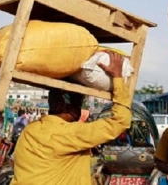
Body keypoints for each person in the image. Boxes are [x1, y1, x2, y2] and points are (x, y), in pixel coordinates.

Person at [11, 51, 132, 185]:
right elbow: (121, 120)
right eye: (79, 102)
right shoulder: (71, 134)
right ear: (72, 107)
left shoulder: (30, 130)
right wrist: (118, 78)